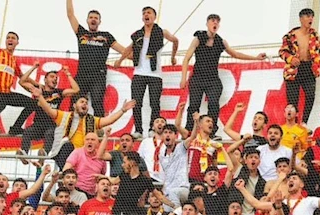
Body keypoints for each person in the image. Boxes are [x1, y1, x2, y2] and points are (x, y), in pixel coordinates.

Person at [180, 14, 266, 139]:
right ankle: (189, 132)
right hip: (197, 78)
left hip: (213, 79)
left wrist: (256, 58)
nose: (215, 23)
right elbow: (186, 58)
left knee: (214, 104)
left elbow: (235, 54)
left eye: (217, 22)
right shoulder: (199, 38)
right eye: (212, 21)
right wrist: (183, 78)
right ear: (207, 23)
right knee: (194, 105)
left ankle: (211, 132)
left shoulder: (220, 41)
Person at [116, 6, 179, 140]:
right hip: (139, 73)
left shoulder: (161, 32)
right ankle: (138, 130)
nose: (146, 15)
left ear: (154, 17)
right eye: (144, 13)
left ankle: (152, 128)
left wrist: (173, 57)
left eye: (149, 13)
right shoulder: (138, 34)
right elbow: (128, 48)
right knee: (136, 102)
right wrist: (120, 60)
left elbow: (175, 40)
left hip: (155, 74)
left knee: (154, 103)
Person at [279, 9, 320, 124]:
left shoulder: (314, 35)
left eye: (312, 16)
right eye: (307, 16)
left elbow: (319, 50)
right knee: (292, 100)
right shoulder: (290, 36)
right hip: (293, 70)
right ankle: (293, 124)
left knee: (310, 95)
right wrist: (291, 59)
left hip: (308, 67)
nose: (310, 19)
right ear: (301, 19)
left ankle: (304, 122)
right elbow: (282, 52)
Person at [65, 0, 128, 116]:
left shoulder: (106, 36)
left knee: (97, 104)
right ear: (87, 20)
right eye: (91, 17)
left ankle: (99, 127)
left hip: (98, 76)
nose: (93, 19)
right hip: (82, 75)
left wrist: (140, 57)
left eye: (96, 18)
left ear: (99, 21)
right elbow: (70, 15)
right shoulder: (81, 33)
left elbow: (124, 51)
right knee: (75, 103)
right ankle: (69, 127)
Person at [0, 31, 38, 146]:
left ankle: (16, 127)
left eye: (13, 38)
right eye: (8, 38)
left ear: (17, 42)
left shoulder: (13, 60)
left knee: (33, 103)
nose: (10, 39)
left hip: (7, 94)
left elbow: (22, 77)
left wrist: (37, 84)